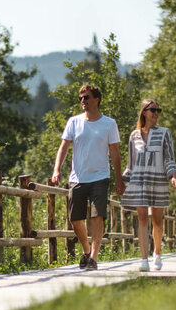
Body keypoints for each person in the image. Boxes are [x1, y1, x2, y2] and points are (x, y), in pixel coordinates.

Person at [51, 84, 125, 270]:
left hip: (100, 177)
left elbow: (115, 152)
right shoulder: (74, 122)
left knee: (97, 215)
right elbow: (64, 147)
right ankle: (86, 250)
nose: (83, 101)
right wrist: (56, 170)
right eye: (81, 98)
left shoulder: (109, 123)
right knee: (75, 219)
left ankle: (93, 256)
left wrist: (119, 179)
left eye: (86, 97)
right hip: (77, 178)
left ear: (96, 99)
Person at [121, 99, 176, 271]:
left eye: (158, 110)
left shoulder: (164, 133)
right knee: (143, 219)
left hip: (159, 181)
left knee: (157, 221)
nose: (156, 113)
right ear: (144, 112)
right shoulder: (134, 135)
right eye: (153, 109)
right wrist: (122, 182)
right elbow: (130, 165)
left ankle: (157, 253)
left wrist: (173, 175)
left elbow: (169, 157)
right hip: (139, 182)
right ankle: (144, 260)